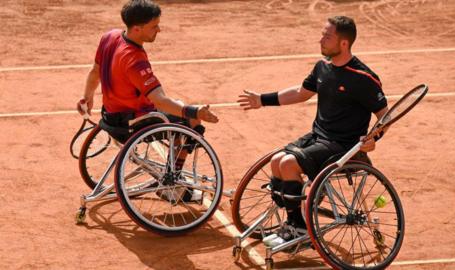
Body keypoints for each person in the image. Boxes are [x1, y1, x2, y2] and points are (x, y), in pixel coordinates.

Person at [237, 16, 388, 244]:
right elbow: (300, 92)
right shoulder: (322, 67)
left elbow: (384, 115)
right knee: (277, 160)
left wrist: (373, 138)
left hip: (344, 146)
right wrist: (262, 99)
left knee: (288, 164)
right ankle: (294, 216)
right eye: (322, 35)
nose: (321, 40)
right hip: (319, 137)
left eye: (327, 36)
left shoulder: (364, 78)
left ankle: (299, 229)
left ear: (344, 43)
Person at [76, 0, 218, 178]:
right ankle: (171, 179)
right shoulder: (135, 59)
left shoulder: (109, 37)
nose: (159, 30)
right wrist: (194, 112)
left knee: (178, 109)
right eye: (154, 26)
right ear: (137, 29)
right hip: (133, 122)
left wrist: (87, 97)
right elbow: (160, 100)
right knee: (191, 122)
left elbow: (95, 71)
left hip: (110, 116)